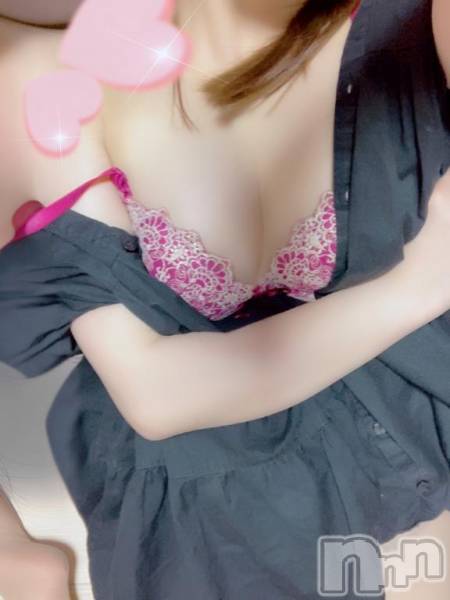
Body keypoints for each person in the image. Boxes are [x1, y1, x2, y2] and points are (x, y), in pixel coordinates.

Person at [1, 0, 450, 598]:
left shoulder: (415, 23)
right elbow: (155, 393)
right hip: (224, 532)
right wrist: (416, 288)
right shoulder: (44, 78)